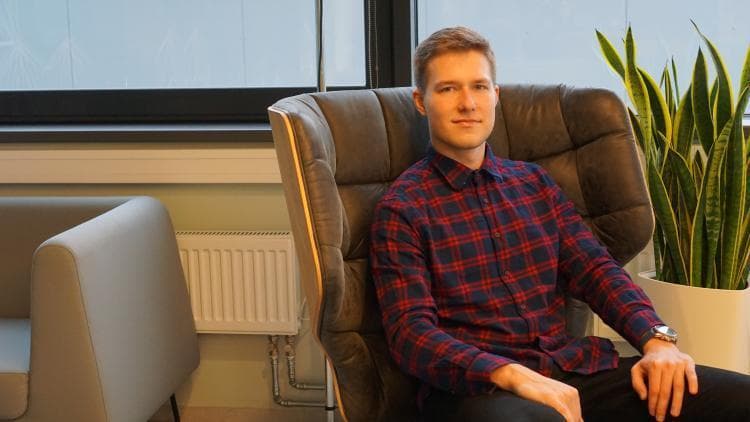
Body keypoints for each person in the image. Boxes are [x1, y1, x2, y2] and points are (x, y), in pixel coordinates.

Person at [369, 26, 750, 422]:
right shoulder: (403, 208)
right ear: (421, 101)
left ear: (495, 95)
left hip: (568, 370)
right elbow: (411, 334)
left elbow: (596, 271)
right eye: (448, 89)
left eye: (479, 87)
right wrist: (508, 372)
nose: (467, 103)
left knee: (737, 398)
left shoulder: (534, 184)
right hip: (479, 391)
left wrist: (656, 340)